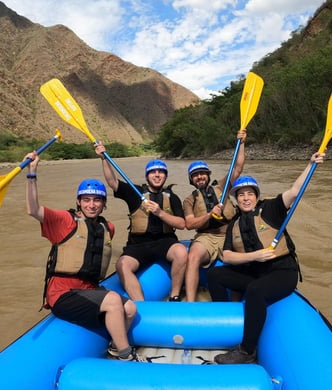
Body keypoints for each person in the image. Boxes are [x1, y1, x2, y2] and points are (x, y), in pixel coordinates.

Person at [24, 151, 146, 362]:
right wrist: (32, 173)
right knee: (114, 300)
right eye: (87, 199)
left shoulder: (108, 227)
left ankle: (115, 347)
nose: (92, 204)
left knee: (130, 307)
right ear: (79, 202)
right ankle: (127, 355)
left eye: (97, 200)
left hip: (89, 289)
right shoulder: (64, 220)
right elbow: (33, 209)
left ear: (103, 203)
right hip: (63, 293)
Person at [207, 152, 325, 364]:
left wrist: (310, 164)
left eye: (249, 194)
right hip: (256, 272)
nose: (245, 198)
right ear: (236, 198)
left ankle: (247, 351)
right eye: (241, 194)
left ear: (256, 195)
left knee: (255, 290)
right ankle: (223, 320)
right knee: (215, 273)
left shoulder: (271, 209)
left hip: (282, 272)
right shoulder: (234, 224)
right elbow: (227, 256)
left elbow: (295, 191)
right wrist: (255, 256)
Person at [94, 143, 187, 301]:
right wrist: (104, 158)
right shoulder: (135, 192)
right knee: (122, 264)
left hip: (165, 242)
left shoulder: (172, 197)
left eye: (161, 172)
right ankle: (140, 304)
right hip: (138, 244)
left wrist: (160, 212)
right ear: (147, 176)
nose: (157, 175)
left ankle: (175, 295)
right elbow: (112, 182)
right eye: (153, 172)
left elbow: (181, 224)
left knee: (181, 253)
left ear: (165, 176)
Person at [183, 129, 247, 302]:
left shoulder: (222, 186)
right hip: (207, 236)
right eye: (195, 175)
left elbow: (238, 167)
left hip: (230, 233)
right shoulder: (189, 200)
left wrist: (241, 143)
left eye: (202, 173)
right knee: (193, 255)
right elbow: (189, 224)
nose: (200, 177)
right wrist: (210, 215)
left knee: (243, 258)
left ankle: (236, 303)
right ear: (191, 180)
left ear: (208, 175)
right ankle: (190, 302)